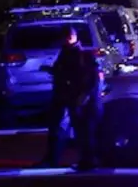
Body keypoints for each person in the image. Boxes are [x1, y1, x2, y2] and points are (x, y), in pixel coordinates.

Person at [39, 25, 102, 171]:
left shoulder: (82, 55)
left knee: (82, 131)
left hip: (75, 98)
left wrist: (83, 96)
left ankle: (87, 160)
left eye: (66, 37)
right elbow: (62, 71)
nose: (64, 40)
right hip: (64, 96)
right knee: (59, 128)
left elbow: (91, 79)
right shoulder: (66, 53)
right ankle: (53, 159)